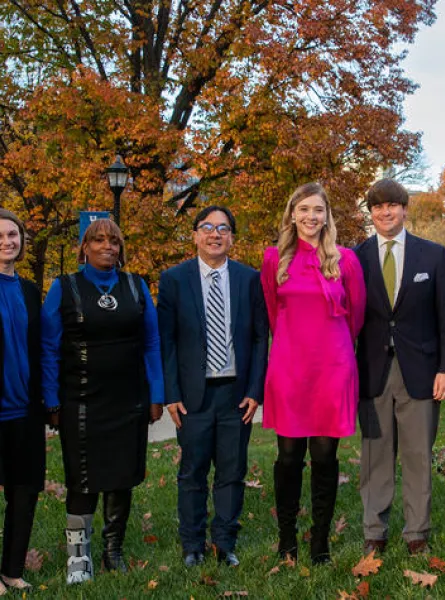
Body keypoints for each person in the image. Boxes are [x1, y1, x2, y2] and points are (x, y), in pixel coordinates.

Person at [41, 218, 164, 584]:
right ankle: (79, 557)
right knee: (82, 478)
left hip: (128, 400)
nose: (107, 246)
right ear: (85, 247)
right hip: (80, 400)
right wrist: (51, 400)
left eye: (114, 241)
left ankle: (113, 550)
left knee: (121, 476)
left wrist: (156, 394)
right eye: (99, 240)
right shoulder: (64, 288)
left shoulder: (136, 286)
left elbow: (152, 343)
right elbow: (49, 348)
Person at [354, 178, 445, 556]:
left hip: (421, 372)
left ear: (405, 208)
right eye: (378, 207)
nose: (386, 212)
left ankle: (417, 532)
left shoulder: (432, 256)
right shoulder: (356, 257)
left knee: (417, 456)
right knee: (375, 456)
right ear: (371, 213)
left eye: (393, 206)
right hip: (372, 372)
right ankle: (374, 531)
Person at [158, 206, 268, 568]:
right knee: (192, 472)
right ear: (195, 235)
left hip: (236, 394)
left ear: (232, 237)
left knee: (232, 471)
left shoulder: (249, 279)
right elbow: (167, 341)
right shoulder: (174, 279)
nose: (215, 234)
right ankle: (192, 544)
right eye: (207, 227)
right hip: (193, 395)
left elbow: (258, 339)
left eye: (223, 228)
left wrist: (256, 390)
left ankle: (225, 543)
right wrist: (171, 393)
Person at [261, 182, 365, 564]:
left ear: (327, 216)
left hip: (332, 369)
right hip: (290, 368)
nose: (310, 216)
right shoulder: (275, 259)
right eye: (303, 209)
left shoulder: (346, 260)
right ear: (292, 214)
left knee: (324, 457)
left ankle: (319, 540)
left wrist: (332, 351)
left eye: (318, 210)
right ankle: (286, 538)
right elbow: (273, 314)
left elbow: (356, 316)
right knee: (288, 456)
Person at [0, 210, 53, 594]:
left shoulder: (32, 291)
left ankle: (12, 571)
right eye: (0, 235)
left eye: (13, 234)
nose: (7, 241)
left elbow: (43, 349)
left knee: (25, 492)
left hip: (26, 411)